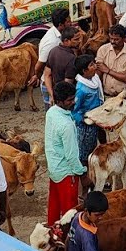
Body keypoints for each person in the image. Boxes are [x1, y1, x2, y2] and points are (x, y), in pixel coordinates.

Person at [45, 80, 88, 226]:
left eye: (73, 98)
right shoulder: (67, 125)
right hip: (66, 172)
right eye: (69, 100)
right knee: (69, 212)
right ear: (59, 101)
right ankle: (68, 241)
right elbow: (71, 155)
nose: (73, 102)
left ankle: (51, 235)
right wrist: (82, 173)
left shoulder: (51, 112)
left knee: (54, 207)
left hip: (54, 168)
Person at [95, 24, 126, 98]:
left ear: (124, 39)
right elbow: (98, 72)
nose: (112, 41)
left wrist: (107, 70)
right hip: (107, 95)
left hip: (125, 96)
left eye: (116, 39)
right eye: (111, 38)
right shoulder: (103, 49)